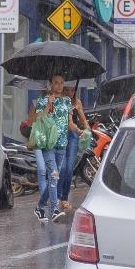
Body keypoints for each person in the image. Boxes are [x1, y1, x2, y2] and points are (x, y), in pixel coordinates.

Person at [25, 75, 71, 223]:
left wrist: (81, 131)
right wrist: (48, 105)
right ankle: (54, 209)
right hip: (47, 144)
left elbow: (69, 123)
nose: (59, 86)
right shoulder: (43, 100)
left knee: (54, 176)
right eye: (56, 83)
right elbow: (37, 119)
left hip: (62, 144)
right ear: (50, 84)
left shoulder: (67, 101)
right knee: (54, 174)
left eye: (61, 83)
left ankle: (39, 207)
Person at [56, 84, 89, 214]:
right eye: (67, 90)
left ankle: (64, 198)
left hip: (73, 136)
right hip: (60, 135)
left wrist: (88, 130)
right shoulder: (58, 101)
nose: (70, 92)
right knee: (62, 167)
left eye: (72, 90)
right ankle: (56, 196)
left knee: (69, 168)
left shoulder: (77, 102)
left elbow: (83, 119)